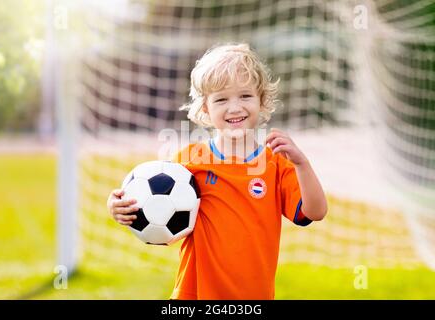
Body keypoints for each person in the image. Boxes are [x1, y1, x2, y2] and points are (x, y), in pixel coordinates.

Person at [107, 43, 327, 299]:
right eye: (221, 99)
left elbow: (315, 212)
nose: (234, 108)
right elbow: (151, 204)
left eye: (245, 96)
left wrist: (302, 164)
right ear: (205, 109)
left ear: (262, 100)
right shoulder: (188, 162)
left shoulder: (277, 163)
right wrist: (117, 205)